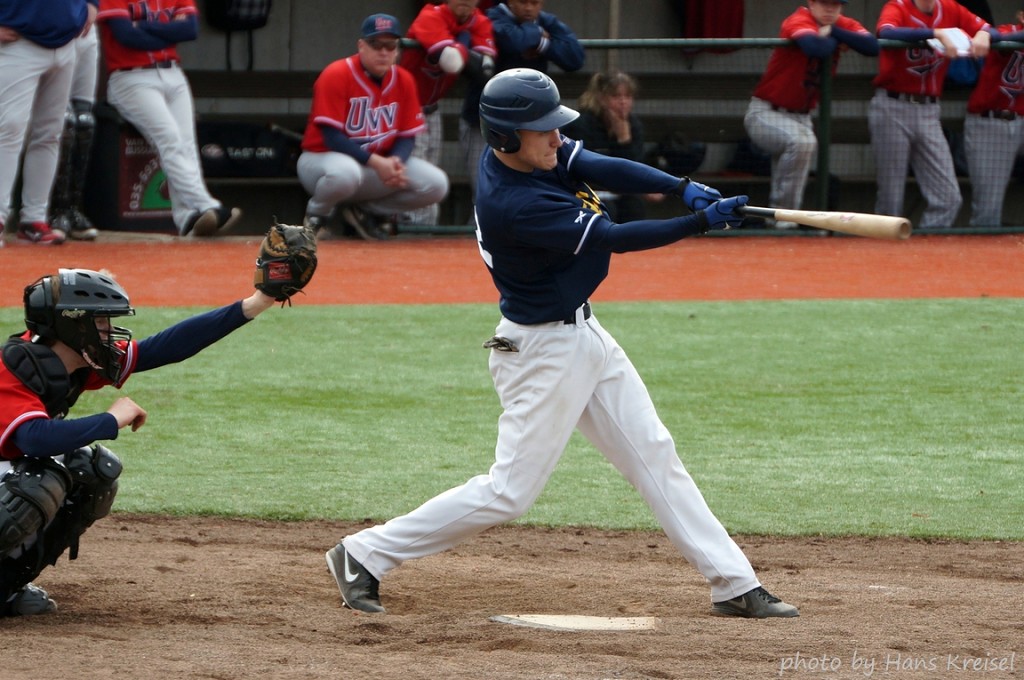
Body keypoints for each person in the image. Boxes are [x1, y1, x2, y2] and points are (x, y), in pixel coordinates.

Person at [325, 68, 800, 620]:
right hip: (542, 353)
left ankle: (734, 583)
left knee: (654, 453)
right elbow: (614, 238)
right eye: (544, 129)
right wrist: (699, 222)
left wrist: (679, 186)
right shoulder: (515, 202)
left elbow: (597, 163)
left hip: (583, 334)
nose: (558, 138)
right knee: (509, 492)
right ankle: (364, 553)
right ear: (506, 136)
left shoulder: (530, 156)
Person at [0, 266, 284, 616]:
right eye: (100, 322)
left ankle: (5, 586)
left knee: (90, 471)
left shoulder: (70, 362)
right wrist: (109, 420)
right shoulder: (10, 370)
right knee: (36, 483)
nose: (109, 331)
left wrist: (255, 304)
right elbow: (34, 439)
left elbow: (162, 348)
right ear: (72, 325)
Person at [296, 13, 449, 241]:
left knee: (436, 184)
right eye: (376, 44)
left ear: (397, 50)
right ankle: (318, 215)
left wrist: (396, 162)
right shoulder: (336, 73)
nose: (383, 52)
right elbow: (332, 137)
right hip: (322, 161)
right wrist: (378, 163)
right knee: (345, 173)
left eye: (390, 45)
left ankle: (366, 212)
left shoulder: (404, 79)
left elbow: (406, 136)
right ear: (361, 46)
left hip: (374, 166)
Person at [96, 0, 241, 237]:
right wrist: (168, 32)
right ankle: (206, 204)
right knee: (170, 139)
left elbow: (189, 30)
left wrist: (144, 27)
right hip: (131, 77)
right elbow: (126, 36)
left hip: (173, 74)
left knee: (187, 145)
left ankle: (187, 219)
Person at [744, 0, 878, 229]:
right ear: (812, 3)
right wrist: (840, 38)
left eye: (836, 5)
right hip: (765, 113)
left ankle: (777, 220)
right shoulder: (799, 19)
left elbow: (873, 47)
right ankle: (784, 219)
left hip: (801, 116)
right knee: (802, 143)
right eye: (825, 3)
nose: (830, 9)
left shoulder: (841, 24)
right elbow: (815, 48)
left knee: (799, 150)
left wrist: (833, 32)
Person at [869, 0, 990, 229]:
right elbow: (886, 32)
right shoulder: (898, 7)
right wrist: (936, 33)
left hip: (929, 111)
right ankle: (886, 251)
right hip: (893, 106)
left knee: (948, 198)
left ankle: (925, 246)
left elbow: (988, 29)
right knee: (890, 201)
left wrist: (985, 34)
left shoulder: (950, 8)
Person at [458, 0, 585, 210]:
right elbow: (513, 42)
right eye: (522, 1)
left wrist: (542, 45)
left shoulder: (546, 20)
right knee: (485, 189)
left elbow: (575, 58)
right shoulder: (492, 17)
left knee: (531, 186)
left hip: (531, 127)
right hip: (485, 123)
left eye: (534, 2)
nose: (528, 8)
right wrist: (538, 34)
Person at [0, 0, 96, 247]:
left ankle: (33, 219)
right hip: (17, 42)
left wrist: (93, 4)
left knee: (50, 133)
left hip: (66, 42)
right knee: (9, 129)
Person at [400, 0, 496, 228]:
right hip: (404, 109)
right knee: (414, 173)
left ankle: (421, 229)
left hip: (433, 108)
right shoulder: (430, 16)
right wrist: (464, 45)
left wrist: (458, 48)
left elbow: (486, 69)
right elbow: (451, 63)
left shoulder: (479, 21)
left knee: (430, 171)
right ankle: (407, 227)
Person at [562, 70, 664, 222]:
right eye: (616, 96)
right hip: (587, 190)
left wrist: (624, 139)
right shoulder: (581, 125)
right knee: (608, 210)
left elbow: (633, 167)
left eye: (627, 96)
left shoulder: (633, 125)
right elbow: (584, 168)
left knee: (634, 207)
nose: (623, 102)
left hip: (620, 190)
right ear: (601, 98)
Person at [963, 9, 1024, 227]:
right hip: (993, 121)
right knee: (988, 208)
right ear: (1021, 16)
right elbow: (994, 36)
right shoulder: (1008, 31)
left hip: (1020, 121)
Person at [50, 27, 102, 241]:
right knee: (65, 121)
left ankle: (72, 208)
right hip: (51, 32)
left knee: (84, 121)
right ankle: (56, 210)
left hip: (85, 30)